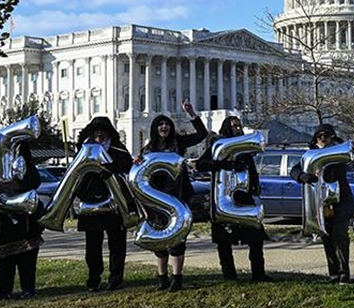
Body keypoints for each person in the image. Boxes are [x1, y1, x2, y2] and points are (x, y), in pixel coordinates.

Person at [137, 102, 207, 292]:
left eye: (166, 124)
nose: (164, 127)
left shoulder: (178, 142)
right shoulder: (148, 149)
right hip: (156, 198)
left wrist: (192, 114)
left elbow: (202, 135)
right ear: (155, 128)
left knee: (177, 239)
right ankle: (162, 278)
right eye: (160, 124)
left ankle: (177, 277)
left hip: (177, 195)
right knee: (159, 239)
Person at [200, 116, 269, 282]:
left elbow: (251, 170)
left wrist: (255, 186)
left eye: (239, 126)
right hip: (224, 199)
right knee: (224, 242)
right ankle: (229, 275)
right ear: (226, 128)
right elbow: (201, 164)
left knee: (256, 238)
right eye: (234, 126)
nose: (238, 129)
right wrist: (222, 165)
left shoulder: (244, 149)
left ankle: (258, 273)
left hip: (244, 199)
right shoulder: (218, 147)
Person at [291, 124, 354, 284]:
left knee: (340, 238)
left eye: (326, 136)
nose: (323, 139)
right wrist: (303, 176)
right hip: (321, 205)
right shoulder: (310, 156)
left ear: (332, 138)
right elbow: (294, 170)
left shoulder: (339, 153)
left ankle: (344, 275)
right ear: (315, 140)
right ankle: (333, 275)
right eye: (319, 137)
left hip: (340, 203)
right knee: (327, 239)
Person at [75, 116, 133, 292]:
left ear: (109, 133)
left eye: (103, 130)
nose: (99, 134)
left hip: (114, 203)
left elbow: (127, 167)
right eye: (96, 131)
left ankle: (116, 278)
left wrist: (111, 169)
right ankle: (94, 277)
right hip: (91, 203)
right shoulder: (84, 150)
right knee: (92, 247)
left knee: (117, 244)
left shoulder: (118, 150)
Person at [0, 142, 44, 300]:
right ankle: (5, 291)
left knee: (28, 260)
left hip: (25, 222)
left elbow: (34, 181)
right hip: (2, 223)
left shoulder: (28, 167)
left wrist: (18, 184)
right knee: (4, 261)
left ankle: (28, 288)